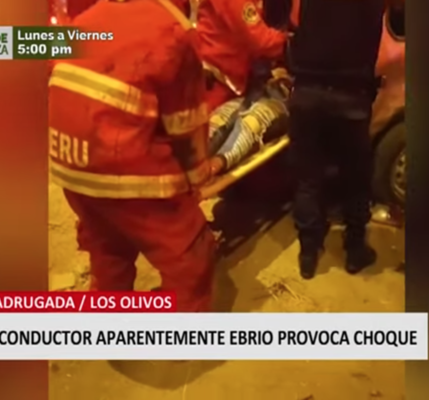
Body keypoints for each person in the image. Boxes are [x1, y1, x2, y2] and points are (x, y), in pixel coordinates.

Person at [48, 0, 215, 312]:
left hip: (69, 163)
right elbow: (186, 124)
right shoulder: (173, 31)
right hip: (122, 164)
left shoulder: (90, 17)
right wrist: (196, 178)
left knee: (108, 244)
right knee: (189, 253)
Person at [269, 0, 386, 278]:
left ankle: (308, 253)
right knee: (355, 178)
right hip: (352, 95)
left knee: (307, 177)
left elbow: (275, 13)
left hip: (308, 91)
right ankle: (355, 249)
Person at [195, 0, 290, 175]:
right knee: (205, 139)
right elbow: (261, 40)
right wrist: (296, 45)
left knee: (251, 120)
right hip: (215, 83)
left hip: (241, 83)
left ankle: (213, 165)